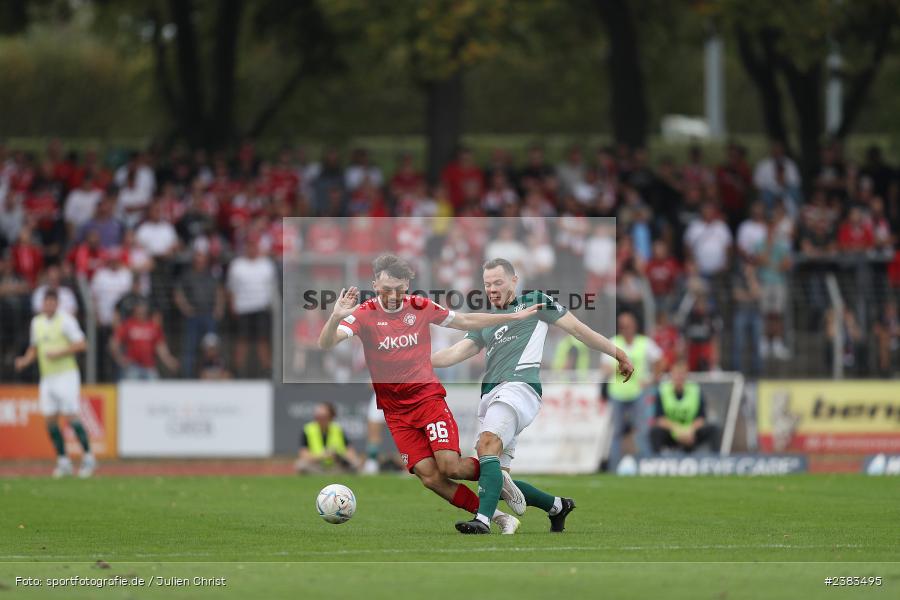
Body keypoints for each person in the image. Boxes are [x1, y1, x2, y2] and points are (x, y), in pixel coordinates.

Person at [318, 254, 539, 534]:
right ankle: (500, 517)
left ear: (408, 285)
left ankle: (500, 478)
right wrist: (335, 317)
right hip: (396, 413)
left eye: (399, 289)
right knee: (430, 477)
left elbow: (465, 322)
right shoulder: (363, 314)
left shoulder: (420, 306)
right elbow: (326, 343)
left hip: (427, 401)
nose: (393, 295)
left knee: (450, 467)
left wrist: (511, 316)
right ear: (375, 285)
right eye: (387, 289)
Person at [431, 258, 634, 534]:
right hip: (492, 395)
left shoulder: (536, 303)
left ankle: (483, 520)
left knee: (486, 444)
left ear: (515, 280)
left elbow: (579, 330)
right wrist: (418, 361)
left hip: (519, 387)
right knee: (498, 480)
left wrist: (618, 353)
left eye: (498, 282)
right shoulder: (487, 321)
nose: (492, 289)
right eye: (488, 284)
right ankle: (557, 506)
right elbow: (455, 353)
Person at [14, 290, 95, 477]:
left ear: (57, 304)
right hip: (47, 377)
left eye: (52, 302)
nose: (49, 305)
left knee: (70, 415)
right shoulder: (37, 323)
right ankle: (63, 460)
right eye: (46, 302)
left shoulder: (65, 320)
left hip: (66, 374)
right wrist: (25, 361)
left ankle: (88, 457)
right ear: (42, 304)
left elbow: (83, 344)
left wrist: (59, 352)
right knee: (50, 419)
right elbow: (34, 348)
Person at [600, 311, 662, 471]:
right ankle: (613, 468)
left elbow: (660, 360)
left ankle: (647, 466)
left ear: (634, 326)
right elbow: (604, 367)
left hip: (638, 392)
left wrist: (652, 379)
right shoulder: (613, 342)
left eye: (627, 326)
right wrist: (620, 366)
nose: (625, 329)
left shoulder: (644, 343)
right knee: (617, 432)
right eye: (622, 326)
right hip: (618, 393)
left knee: (641, 431)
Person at [649, 360, 721, 455]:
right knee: (655, 432)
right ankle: (656, 461)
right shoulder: (663, 391)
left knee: (714, 429)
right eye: (677, 374)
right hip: (672, 433)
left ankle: (715, 460)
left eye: (682, 374)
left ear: (686, 375)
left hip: (692, 434)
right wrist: (678, 431)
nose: (679, 377)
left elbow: (702, 418)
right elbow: (660, 419)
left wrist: (689, 431)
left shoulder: (695, 390)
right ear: (672, 375)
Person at [111, 300, 179, 380]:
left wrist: (169, 360)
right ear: (135, 309)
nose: (141, 310)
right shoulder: (128, 325)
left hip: (149, 367)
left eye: (143, 307)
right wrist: (119, 358)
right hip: (133, 367)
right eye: (139, 307)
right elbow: (114, 343)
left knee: (154, 390)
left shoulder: (153, 326)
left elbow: (160, 347)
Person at [295, 402, 363, 474]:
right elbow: (304, 455)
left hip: (336, 465)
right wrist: (323, 455)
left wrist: (342, 456)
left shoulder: (337, 429)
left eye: (323, 416)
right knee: (301, 465)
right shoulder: (308, 429)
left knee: (355, 463)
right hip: (316, 465)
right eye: (318, 416)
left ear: (331, 417)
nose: (320, 419)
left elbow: (349, 450)